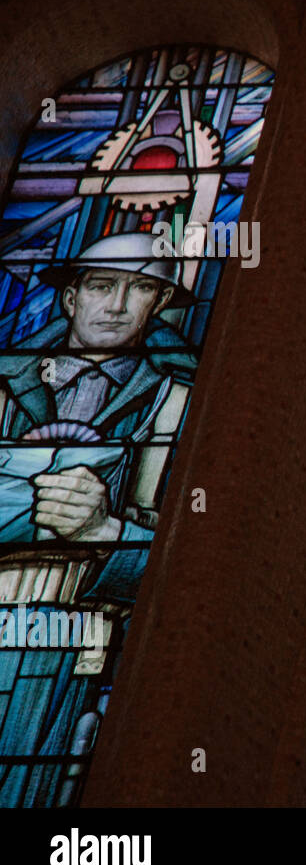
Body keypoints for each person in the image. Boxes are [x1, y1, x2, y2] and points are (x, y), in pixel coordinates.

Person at [0, 232, 196, 806]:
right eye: (102, 286)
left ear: (158, 306)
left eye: (139, 290)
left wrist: (106, 534)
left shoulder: (184, 405)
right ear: (70, 298)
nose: (115, 306)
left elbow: (207, 573)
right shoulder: (7, 382)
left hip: (80, 637)